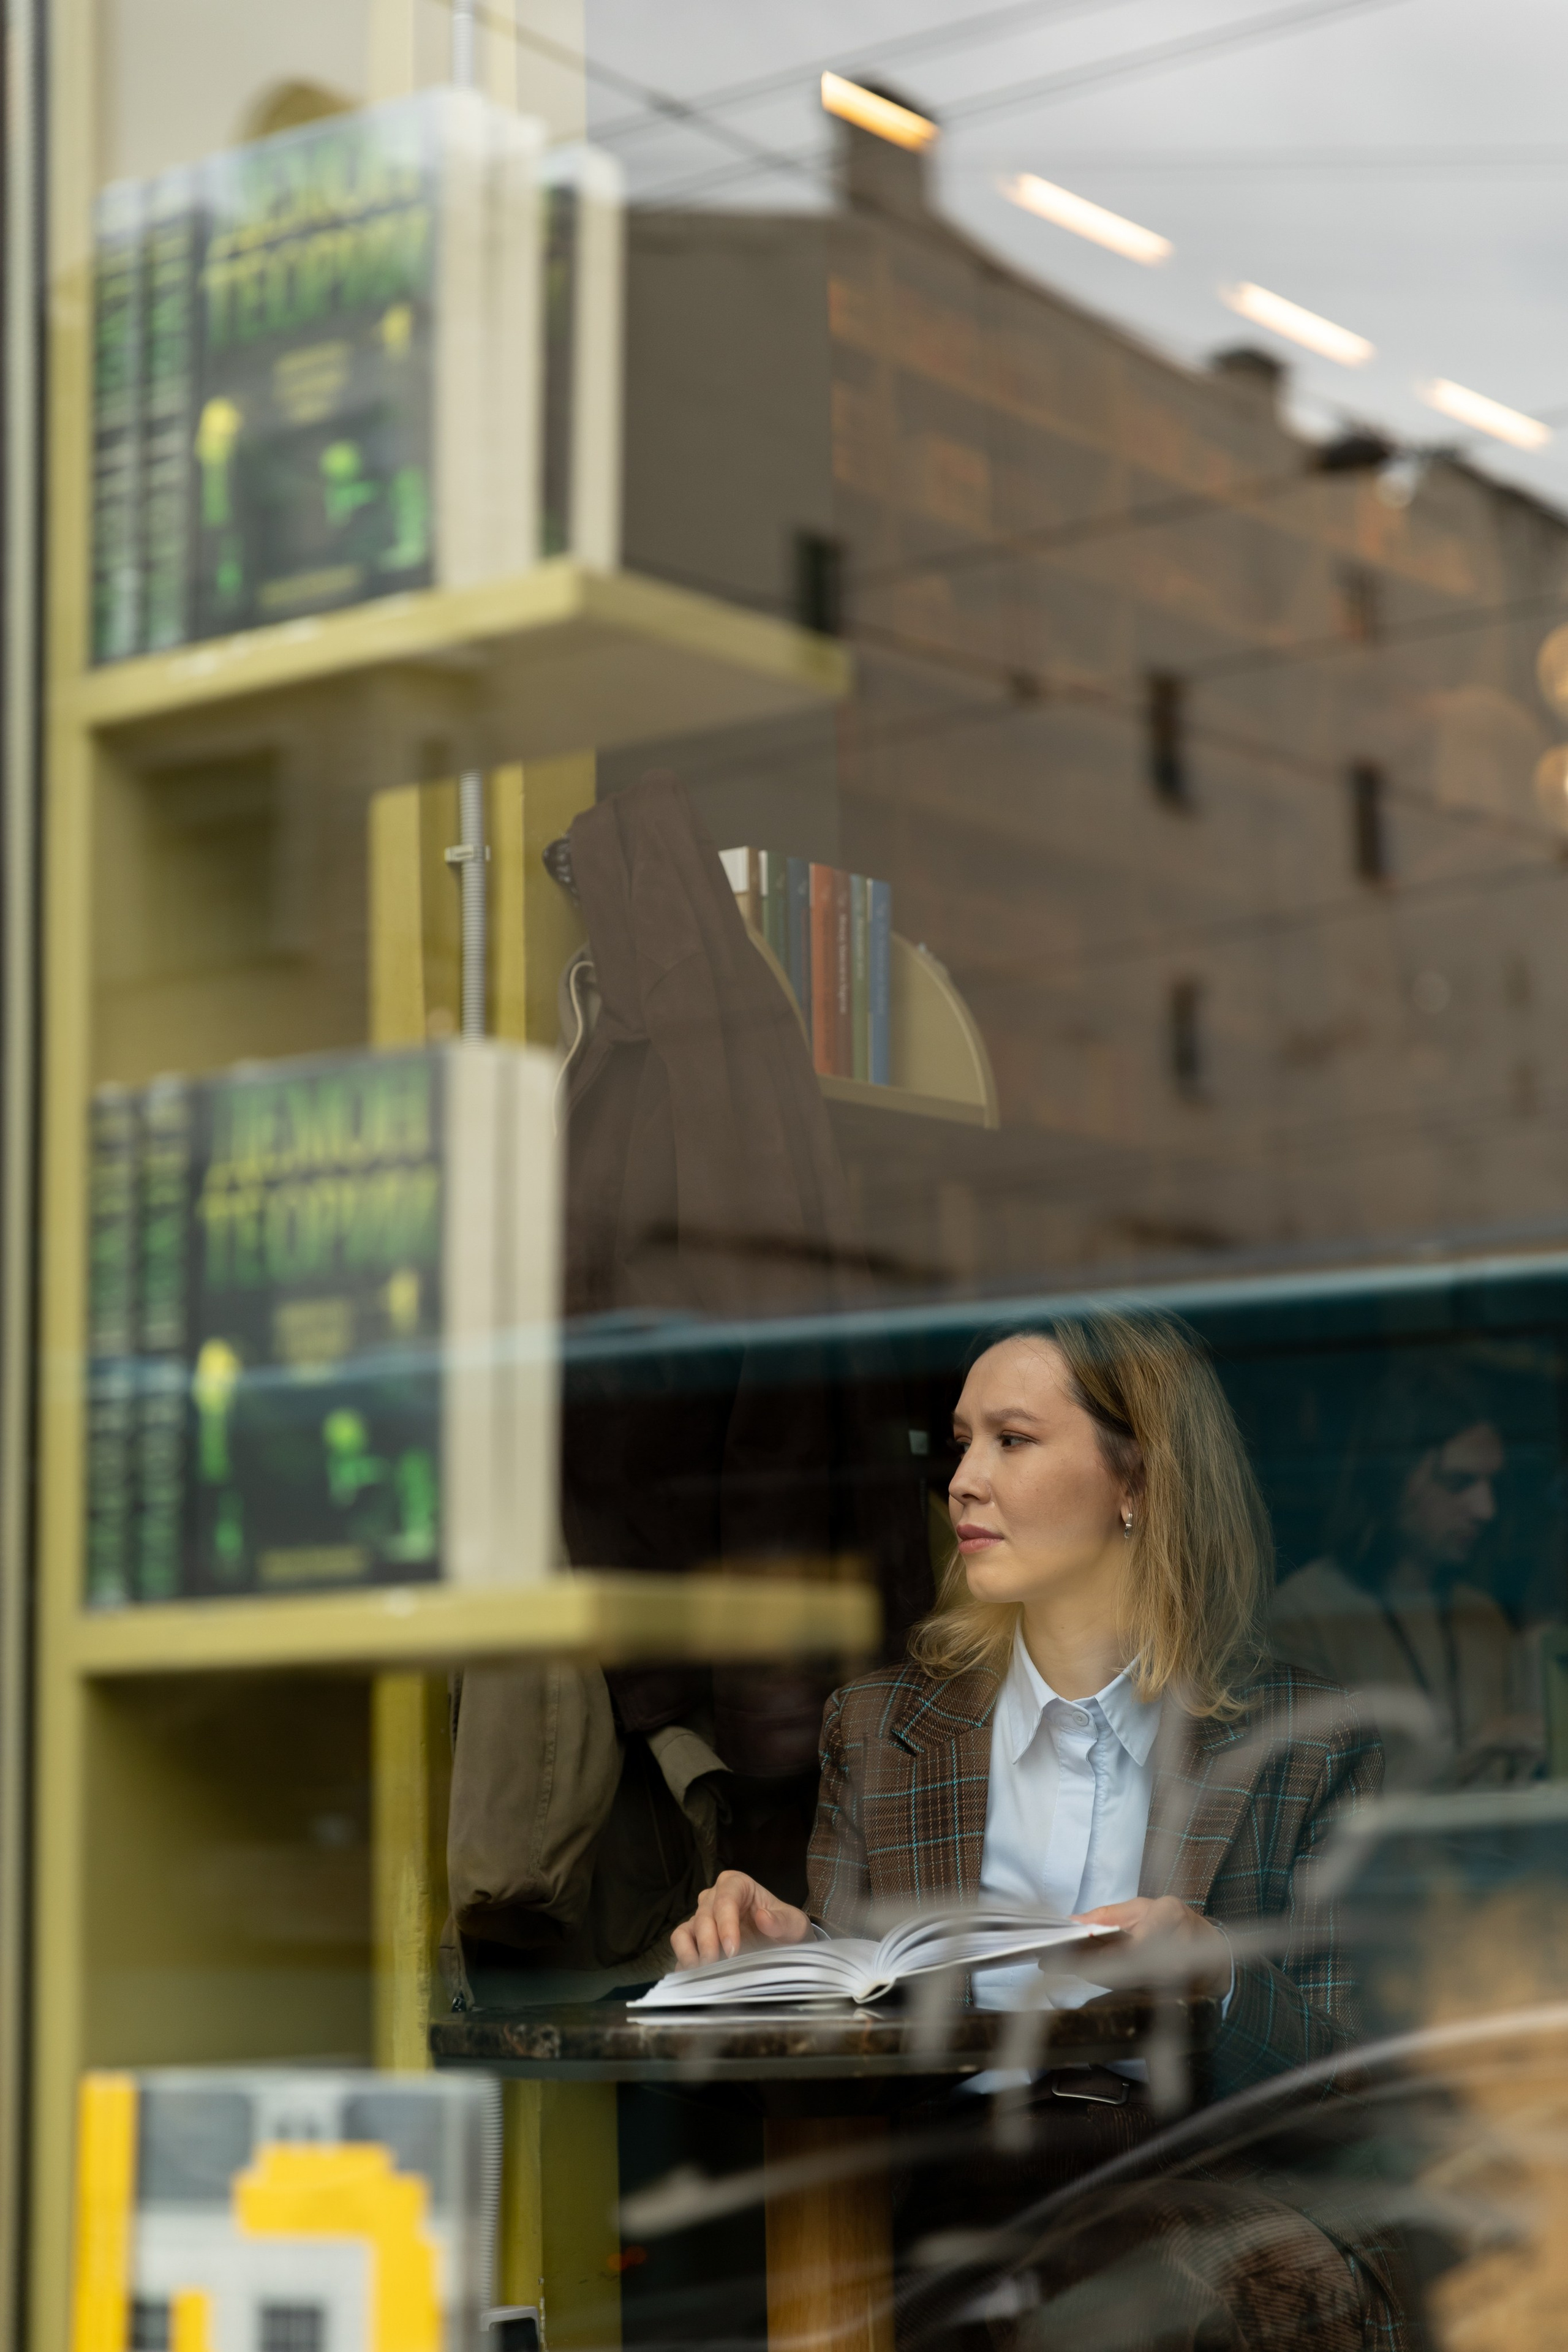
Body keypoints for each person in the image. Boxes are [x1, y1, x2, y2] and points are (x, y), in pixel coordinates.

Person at [671, 1311, 1406, 2352]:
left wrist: (1220, 1977)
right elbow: (848, 2057)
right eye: (962, 1441)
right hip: (959, 2195)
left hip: (1211, 2186)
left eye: (1011, 1441)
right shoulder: (881, 1729)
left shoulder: (1306, 1744)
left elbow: (1357, 2089)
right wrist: (787, 1963)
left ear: (1138, 1485)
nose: (964, 1479)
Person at [1270, 1357, 1542, 1786]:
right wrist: (1476, 1750)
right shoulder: (1303, 1615)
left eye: (1493, 1486)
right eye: (1458, 1482)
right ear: (1392, 1477)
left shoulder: (1486, 1616)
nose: (1486, 1509)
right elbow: (1311, 1807)